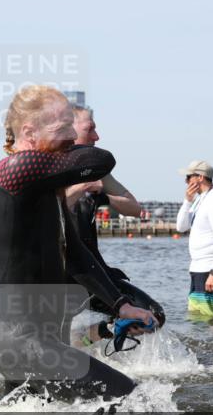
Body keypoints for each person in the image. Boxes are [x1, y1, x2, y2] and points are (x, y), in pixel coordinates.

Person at [0, 85, 156, 402]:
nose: (72, 136)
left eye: (73, 126)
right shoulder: (17, 169)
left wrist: (120, 304)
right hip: (25, 344)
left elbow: (76, 256)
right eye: (63, 128)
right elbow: (100, 160)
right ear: (29, 131)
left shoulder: (40, 191)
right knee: (136, 404)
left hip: (41, 343)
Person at [63, 105, 165, 340]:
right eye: (90, 129)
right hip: (59, 274)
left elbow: (135, 208)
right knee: (51, 348)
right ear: (68, 129)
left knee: (153, 316)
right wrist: (83, 187)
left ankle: (87, 338)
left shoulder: (96, 169)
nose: (97, 136)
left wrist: (105, 196)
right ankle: (68, 347)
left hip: (94, 271)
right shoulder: (49, 168)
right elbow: (48, 210)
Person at [175, 161, 213, 320]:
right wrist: (187, 201)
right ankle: (203, 345)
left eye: (188, 177)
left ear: (200, 177)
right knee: (196, 316)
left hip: (209, 268)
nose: (186, 182)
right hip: (197, 267)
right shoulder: (200, 199)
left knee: (208, 318)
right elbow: (181, 227)